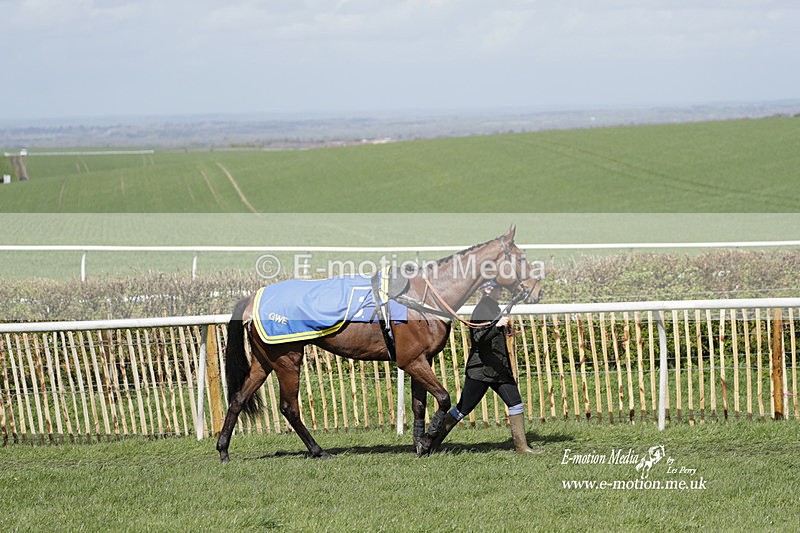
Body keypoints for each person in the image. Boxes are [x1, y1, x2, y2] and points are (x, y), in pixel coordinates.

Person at [430, 280, 541, 454]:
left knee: (516, 404)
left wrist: (504, 329)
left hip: (498, 369)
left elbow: (492, 333)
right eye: (497, 289)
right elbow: (478, 338)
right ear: (488, 289)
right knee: (462, 409)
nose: (500, 292)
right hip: (480, 371)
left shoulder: (492, 306)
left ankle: (522, 447)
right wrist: (496, 325)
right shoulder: (481, 309)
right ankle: (432, 443)